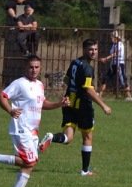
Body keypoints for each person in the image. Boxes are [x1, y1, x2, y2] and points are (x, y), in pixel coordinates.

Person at [0, 56, 69, 187]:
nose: (33, 70)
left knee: (29, 164)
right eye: (31, 67)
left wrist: (59, 104)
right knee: (30, 161)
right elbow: (2, 96)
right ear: (25, 68)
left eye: (36, 67)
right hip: (21, 127)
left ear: (40, 68)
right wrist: (10, 110)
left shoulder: (40, 84)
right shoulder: (19, 83)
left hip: (33, 129)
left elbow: (43, 103)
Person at [38, 39, 112, 176]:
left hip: (68, 102)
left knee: (68, 138)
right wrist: (104, 105)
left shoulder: (75, 62)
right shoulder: (88, 68)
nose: (94, 52)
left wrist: (74, 89)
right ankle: (85, 170)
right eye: (91, 49)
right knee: (88, 136)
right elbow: (88, 89)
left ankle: (52, 137)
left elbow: (66, 80)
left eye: (95, 49)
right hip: (83, 106)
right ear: (84, 49)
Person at [98, 31, 132, 101]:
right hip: (113, 64)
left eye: (112, 38)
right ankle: (100, 95)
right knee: (106, 78)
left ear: (115, 38)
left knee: (122, 80)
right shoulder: (114, 45)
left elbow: (115, 53)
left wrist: (106, 58)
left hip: (119, 64)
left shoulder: (120, 44)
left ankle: (129, 96)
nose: (111, 39)